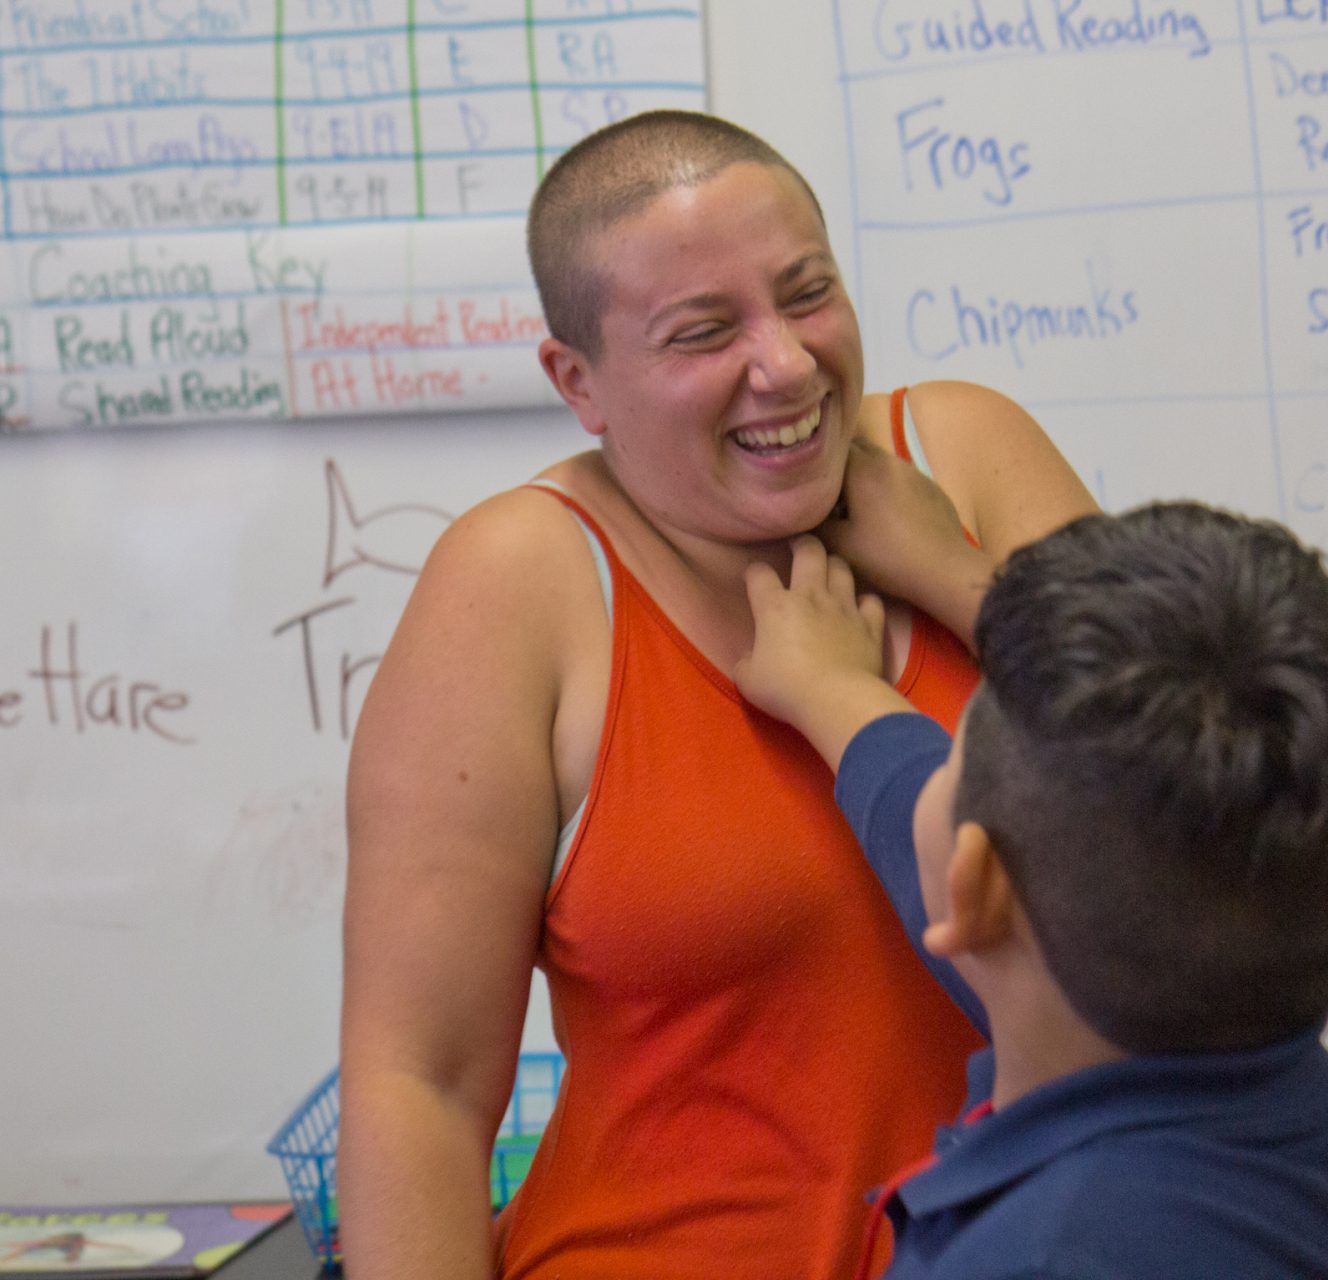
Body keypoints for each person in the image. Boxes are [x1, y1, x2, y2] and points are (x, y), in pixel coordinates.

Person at [336, 109, 1097, 1280]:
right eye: (704, 332)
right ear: (578, 379)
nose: (786, 364)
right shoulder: (521, 582)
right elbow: (418, 1086)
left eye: (808, 294)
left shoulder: (964, 453)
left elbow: (1206, 805)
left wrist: (956, 575)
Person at [731, 502, 1328, 1279]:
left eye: (956, 752)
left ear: (977, 891)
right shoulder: (1280, 1092)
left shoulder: (1031, 1259)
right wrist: (831, 691)